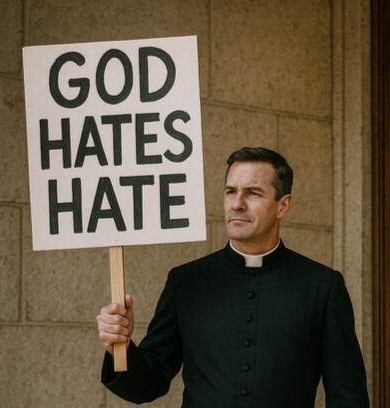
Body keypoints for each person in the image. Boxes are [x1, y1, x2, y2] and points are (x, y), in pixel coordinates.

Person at [97, 146, 369, 407]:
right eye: (230, 192)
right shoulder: (186, 281)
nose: (237, 204)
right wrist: (120, 345)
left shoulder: (323, 287)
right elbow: (149, 383)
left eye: (253, 193)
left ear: (283, 206)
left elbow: (348, 396)